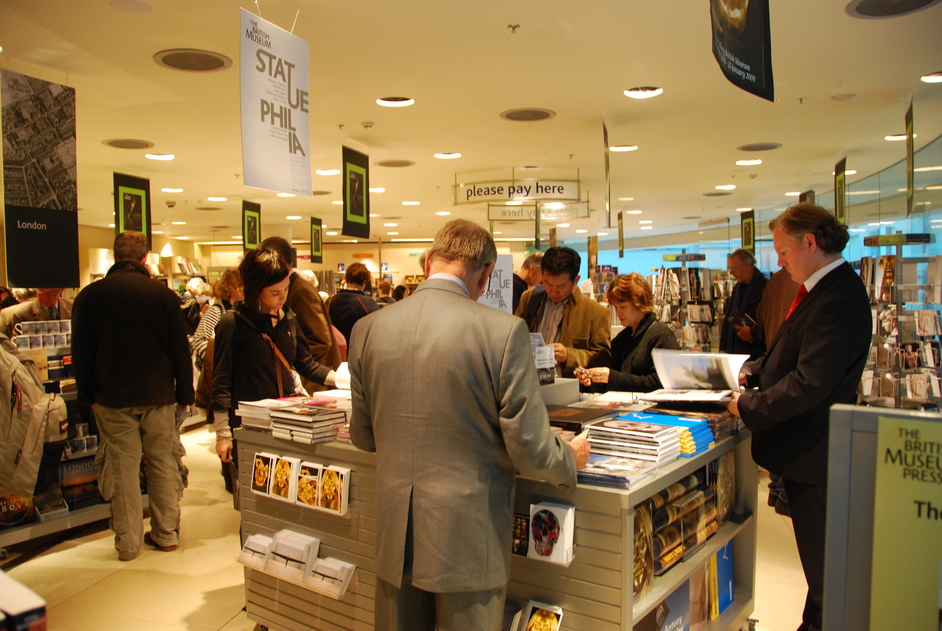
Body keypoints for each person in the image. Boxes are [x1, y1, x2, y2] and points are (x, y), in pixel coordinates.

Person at [348, 219, 590, 631]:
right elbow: (530, 446)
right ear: (486, 273)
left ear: (429, 262)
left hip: (395, 534)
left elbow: (363, 436)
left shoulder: (367, 328)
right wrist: (569, 456)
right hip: (468, 538)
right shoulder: (502, 332)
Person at [727, 202, 871, 631]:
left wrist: (748, 405)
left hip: (817, 456)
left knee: (826, 574)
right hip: (810, 453)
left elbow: (810, 382)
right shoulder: (820, 290)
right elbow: (794, 351)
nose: (779, 260)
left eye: (783, 250)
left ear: (809, 242)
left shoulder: (838, 297)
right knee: (821, 572)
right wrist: (755, 368)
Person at [71, 231, 193, 561]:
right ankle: (167, 534)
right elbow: (180, 350)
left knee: (122, 469)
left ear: (114, 256)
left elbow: (80, 351)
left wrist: (86, 394)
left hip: (111, 396)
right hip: (158, 394)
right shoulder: (163, 295)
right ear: (144, 259)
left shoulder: (90, 296)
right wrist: (185, 393)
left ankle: (128, 543)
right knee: (163, 462)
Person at [212, 249, 337, 465]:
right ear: (254, 290)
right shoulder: (232, 324)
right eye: (275, 292)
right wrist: (223, 434)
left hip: (287, 422)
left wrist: (344, 379)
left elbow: (305, 363)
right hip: (249, 424)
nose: (283, 296)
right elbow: (221, 382)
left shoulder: (287, 317)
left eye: (286, 289)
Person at [258, 237, 343, 389]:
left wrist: (293, 360)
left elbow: (320, 339)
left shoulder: (300, 290)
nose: (281, 296)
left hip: (312, 382)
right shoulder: (238, 318)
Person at [515, 246, 611, 378]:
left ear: (576, 280)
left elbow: (603, 358)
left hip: (569, 388)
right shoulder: (529, 298)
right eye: (548, 283)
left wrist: (568, 355)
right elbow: (516, 337)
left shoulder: (596, 312)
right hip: (530, 381)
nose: (554, 291)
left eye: (561, 286)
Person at [576, 273, 679, 393]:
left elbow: (663, 383)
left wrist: (612, 377)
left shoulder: (661, 335)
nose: (618, 313)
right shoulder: (622, 338)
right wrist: (592, 381)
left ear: (640, 302)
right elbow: (612, 380)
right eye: (615, 307)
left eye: (623, 307)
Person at [719, 248, 767, 360]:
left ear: (747, 266)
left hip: (756, 355)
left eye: (734, 268)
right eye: (730, 269)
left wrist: (752, 333)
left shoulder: (765, 289)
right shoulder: (738, 289)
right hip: (736, 350)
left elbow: (772, 325)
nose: (731, 273)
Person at [190, 268, 243, 370]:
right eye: (241, 286)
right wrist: (220, 359)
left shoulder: (241, 310)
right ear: (231, 287)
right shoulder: (216, 311)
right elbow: (198, 339)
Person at [328, 262, 379, 344]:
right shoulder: (368, 302)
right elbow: (376, 330)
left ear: (346, 279)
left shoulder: (332, 300)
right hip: (359, 350)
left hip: (337, 350)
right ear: (364, 282)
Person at [0, 287, 73, 338]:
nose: (46, 297)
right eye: (41, 292)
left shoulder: (74, 307)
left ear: (62, 290)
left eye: (52, 293)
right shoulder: (13, 314)